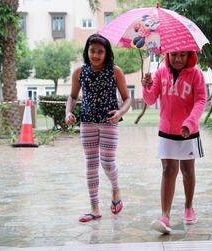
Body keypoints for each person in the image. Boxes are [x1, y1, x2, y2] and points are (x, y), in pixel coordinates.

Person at [65, 34, 131, 222]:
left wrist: (120, 113)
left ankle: (116, 190)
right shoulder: (79, 72)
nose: (95, 55)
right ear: (87, 51)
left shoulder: (115, 71)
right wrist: (68, 113)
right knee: (91, 164)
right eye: (92, 50)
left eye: (100, 51)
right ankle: (94, 208)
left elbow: (127, 98)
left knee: (108, 163)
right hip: (87, 122)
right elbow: (72, 97)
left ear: (106, 53)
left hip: (109, 122)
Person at [141, 51, 206, 234]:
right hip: (166, 130)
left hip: (188, 131)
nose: (178, 59)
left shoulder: (196, 74)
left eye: (183, 55)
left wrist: (190, 122)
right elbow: (150, 99)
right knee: (168, 170)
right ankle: (165, 216)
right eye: (174, 55)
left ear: (189, 56)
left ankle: (188, 207)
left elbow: (200, 101)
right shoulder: (161, 73)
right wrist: (146, 86)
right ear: (167, 55)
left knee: (187, 170)